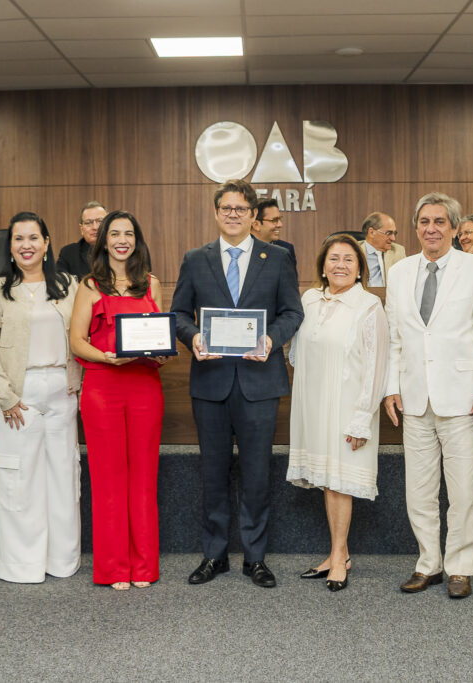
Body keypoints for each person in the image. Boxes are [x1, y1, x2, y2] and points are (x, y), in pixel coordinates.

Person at [171, 178, 303, 588]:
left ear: (252, 216)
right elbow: (178, 314)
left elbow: (292, 314)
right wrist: (193, 337)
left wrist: (270, 339)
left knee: (257, 473)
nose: (232, 214)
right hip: (210, 383)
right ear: (216, 213)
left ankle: (255, 558)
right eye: (226, 208)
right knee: (212, 473)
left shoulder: (277, 258)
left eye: (240, 209)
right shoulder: (196, 259)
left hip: (259, 383)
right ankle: (214, 556)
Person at [383, 193, 473, 599]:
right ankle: (428, 564)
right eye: (424, 221)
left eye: (439, 221)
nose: (431, 228)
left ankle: (460, 567)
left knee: (463, 492)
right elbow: (394, 339)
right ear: (415, 226)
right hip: (415, 400)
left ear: (454, 228)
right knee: (418, 491)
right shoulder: (399, 273)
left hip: (464, 400)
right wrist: (391, 388)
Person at [0, 211, 82, 584]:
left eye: (34, 238)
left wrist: (77, 383)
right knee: (19, 480)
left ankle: (62, 561)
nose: (26, 245)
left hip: (63, 393)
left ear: (47, 243)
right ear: (10, 247)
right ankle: (23, 565)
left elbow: (84, 336)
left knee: (63, 475)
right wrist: (4, 397)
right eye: (18, 239)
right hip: (18, 396)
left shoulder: (70, 285)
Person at [69, 210, 167, 590]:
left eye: (128, 233)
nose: (121, 240)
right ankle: (113, 568)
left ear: (137, 240)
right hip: (103, 385)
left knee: (144, 478)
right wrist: (108, 357)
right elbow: (77, 341)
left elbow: (159, 334)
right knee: (108, 479)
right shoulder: (90, 286)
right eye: (114, 234)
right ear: (103, 241)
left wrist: (160, 353)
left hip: (144, 384)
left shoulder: (152, 285)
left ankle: (144, 567)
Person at [287, 233, 388, 592]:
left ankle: (340, 556)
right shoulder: (310, 299)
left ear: (360, 268)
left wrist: (363, 417)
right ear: (323, 266)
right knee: (328, 481)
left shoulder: (369, 306)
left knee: (341, 483)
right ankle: (335, 554)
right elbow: (296, 352)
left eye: (348, 259)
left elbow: (378, 366)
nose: (340, 265)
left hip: (349, 407)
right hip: (315, 404)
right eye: (334, 258)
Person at [57, 201, 106, 280]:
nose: (95, 227)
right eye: (88, 223)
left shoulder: (118, 251)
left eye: (100, 221)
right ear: (81, 229)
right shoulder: (68, 253)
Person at [358, 212, 406, 286]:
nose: (393, 238)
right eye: (388, 233)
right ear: (371, 232)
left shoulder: (398, 251)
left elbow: (404, 282)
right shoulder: (354, 250)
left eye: (394, 233)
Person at [251, 198, 295, 263]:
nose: (280, 225)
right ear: (256, 225)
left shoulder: (286, 249)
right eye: (274, 220)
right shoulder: (238, 248)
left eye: (280, 219)